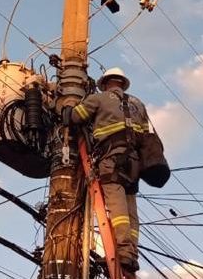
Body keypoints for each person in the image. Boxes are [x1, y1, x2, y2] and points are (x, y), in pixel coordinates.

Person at [65, 67, 149, 277]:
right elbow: (146, 134)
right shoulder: (138, 104)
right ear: (123, 83)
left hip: (111, 158)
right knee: (130, 211)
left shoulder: (99, 99)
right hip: (135, 163)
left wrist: (66, 107)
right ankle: (131, 253)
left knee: (117, 206)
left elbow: (76, 117)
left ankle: (123, 250)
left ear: (105, 83)